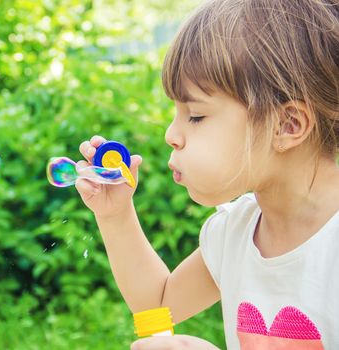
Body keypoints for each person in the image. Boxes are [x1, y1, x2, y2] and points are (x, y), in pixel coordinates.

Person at [74, 0, 339, 348]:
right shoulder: (235, 232)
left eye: (195, 116)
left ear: (287, 125)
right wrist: (115, 214)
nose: (171, 134)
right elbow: (158, 305)